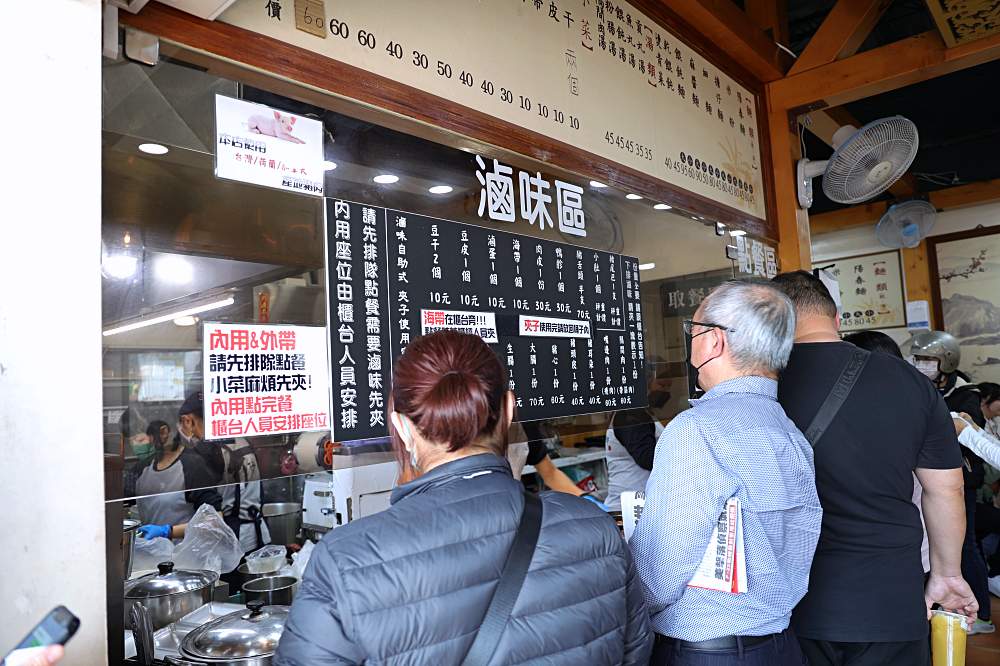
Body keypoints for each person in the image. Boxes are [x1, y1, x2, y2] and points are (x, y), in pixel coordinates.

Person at [275, 330, 652, 665]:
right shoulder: (595, 530)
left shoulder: (345, 559)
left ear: (403, 429)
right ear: (507, 410)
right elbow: (634, 650)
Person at [772, 270, 975, 666]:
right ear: (836, 321)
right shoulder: (909, 381)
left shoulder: (763, 381)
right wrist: (947, 574)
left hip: (794, 599)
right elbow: (945, 489)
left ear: (774, 324)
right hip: (891, 599)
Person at [631, 281, 821, 666]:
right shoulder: (789, 430)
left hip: (707, 649)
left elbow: (659, 573)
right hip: (781, 645)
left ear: (714, 341)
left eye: (694, 331)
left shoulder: (696, 428)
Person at [908, 331, 994, 634]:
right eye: (918, 359)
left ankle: (980, 614)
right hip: (937, 485)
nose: (922, 365)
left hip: (961, 483)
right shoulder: (920, 387)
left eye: (928, 360)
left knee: (965, 546)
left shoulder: (966, 393)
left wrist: (967, 430)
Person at [172, 392, 270, 553]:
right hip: (256, 533)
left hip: (232, 539)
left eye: (182, 424)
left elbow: (209, 508)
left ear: (188, 421)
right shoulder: (239, 440)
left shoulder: (206, 451)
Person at [135, 419, 222, 541]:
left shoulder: (192, 465)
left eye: (141, 439)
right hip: (152, 553)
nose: (137, 445)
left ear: (164, 432)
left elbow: (215, 520)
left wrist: (168, 531)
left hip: (184, 553)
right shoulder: (143, 468)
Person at [604, 367, 671, 511]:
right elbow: (647, 458)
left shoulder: (640, 412)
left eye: (668, 386)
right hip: (629, 509)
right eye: (661, 386)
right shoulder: (631, 416)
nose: (665, 392)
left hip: (638, 505)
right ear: (645, 383)